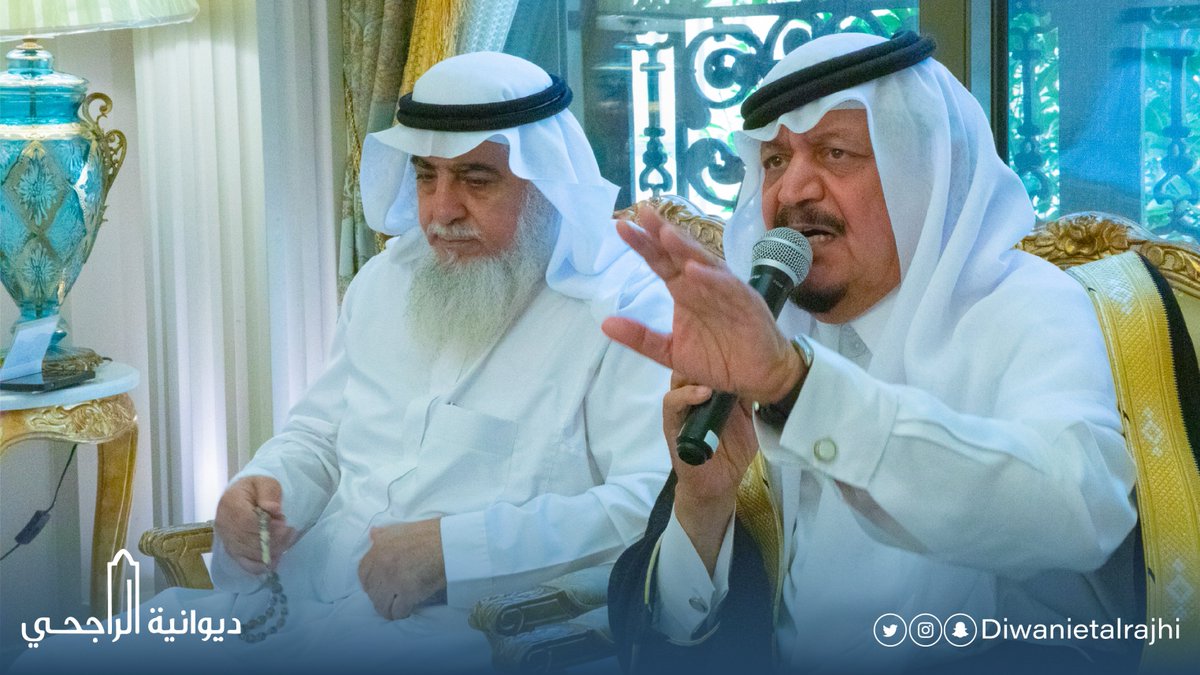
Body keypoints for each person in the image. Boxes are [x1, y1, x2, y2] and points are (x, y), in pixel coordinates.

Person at [16, 52, 671, 674]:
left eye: (477, 180)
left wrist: (455, 552)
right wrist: (263, 487)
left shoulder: (628, 310)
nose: (441, 211)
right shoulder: (388, 281)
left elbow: (653, 506)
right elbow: (321, 435)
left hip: (461, 632)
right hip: (292, 605)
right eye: (426, 176)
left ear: (549, 183)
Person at [605, 32, 1140, 674]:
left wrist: (802, 391)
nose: (793, 190)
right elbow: (672, 638)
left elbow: (1081, 514)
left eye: (835, 153)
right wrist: (703, 506)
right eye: (774, 160)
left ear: (920, 171)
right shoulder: (771, 331)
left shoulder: (1025, 307)